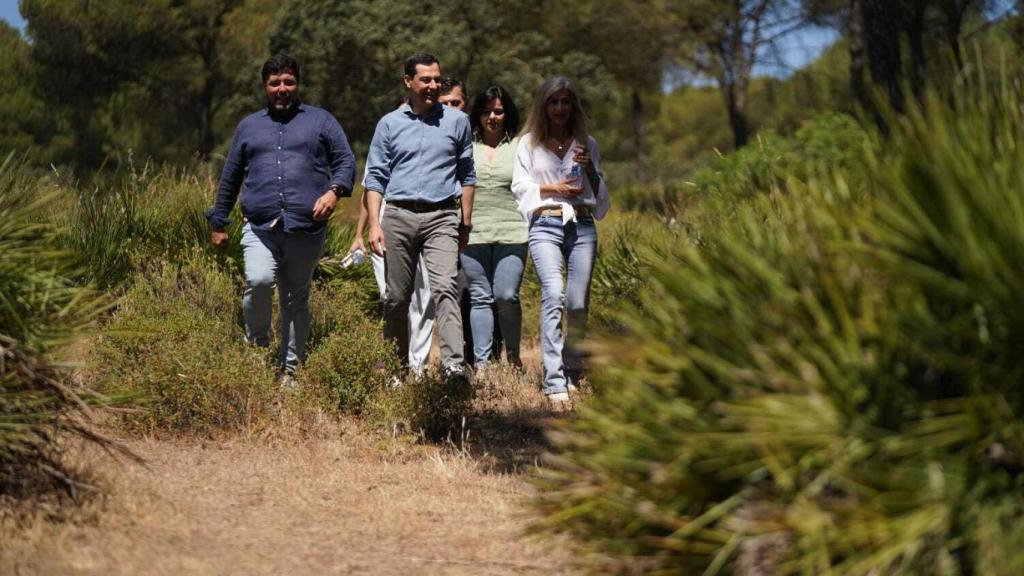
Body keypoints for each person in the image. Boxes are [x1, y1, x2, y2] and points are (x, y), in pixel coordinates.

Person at [207, 53, 356, 388]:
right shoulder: (249, 126)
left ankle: (290, 371)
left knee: (294, 299)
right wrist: (219, 222)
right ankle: (257, 353)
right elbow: (230, 177)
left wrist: (334, 192)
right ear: (265, 86)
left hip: (306, 229)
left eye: (288, 82)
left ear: (297, 84)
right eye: (275, 83)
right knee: (258, 282)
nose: (282, 88)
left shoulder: (321, 121)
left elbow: (345, 161)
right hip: (259, 226)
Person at [364, 53, 476, 385]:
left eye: (436, 79)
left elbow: (467, 175)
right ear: (408, 82)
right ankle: (395, 371)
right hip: (397, 215)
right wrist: (374, 224)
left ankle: (454, 367)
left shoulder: (457, 122)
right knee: (397, 297)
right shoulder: (389, 124)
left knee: (445, 289)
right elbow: (375, 179)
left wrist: (464, 222)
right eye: (425, 79)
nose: (432, 86)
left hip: (441, 215)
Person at [511, 76, 609, 411]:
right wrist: (554, 190)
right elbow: (520, 187)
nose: (560, 108)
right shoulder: (528, 144)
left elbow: (599, 195)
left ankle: (572, 367)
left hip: (581, 225)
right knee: (553, 294)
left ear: (573, 106)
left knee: (578, 303)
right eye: (553, 102)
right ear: (543, 106)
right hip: (546, 224)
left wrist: (590, 169)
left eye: (566, 102)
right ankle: (554, 382)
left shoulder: (587, 144)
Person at [460, 85, 526, 370]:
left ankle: (513, 357)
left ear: (507, 113)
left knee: (506, 295)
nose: (492, 117)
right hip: (472, 232)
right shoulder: (466, 145)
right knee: (479, 297)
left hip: (513, 231)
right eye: (487, 111)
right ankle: (484, 366)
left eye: (498, 111)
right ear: (478, 114)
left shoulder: (521, 146)